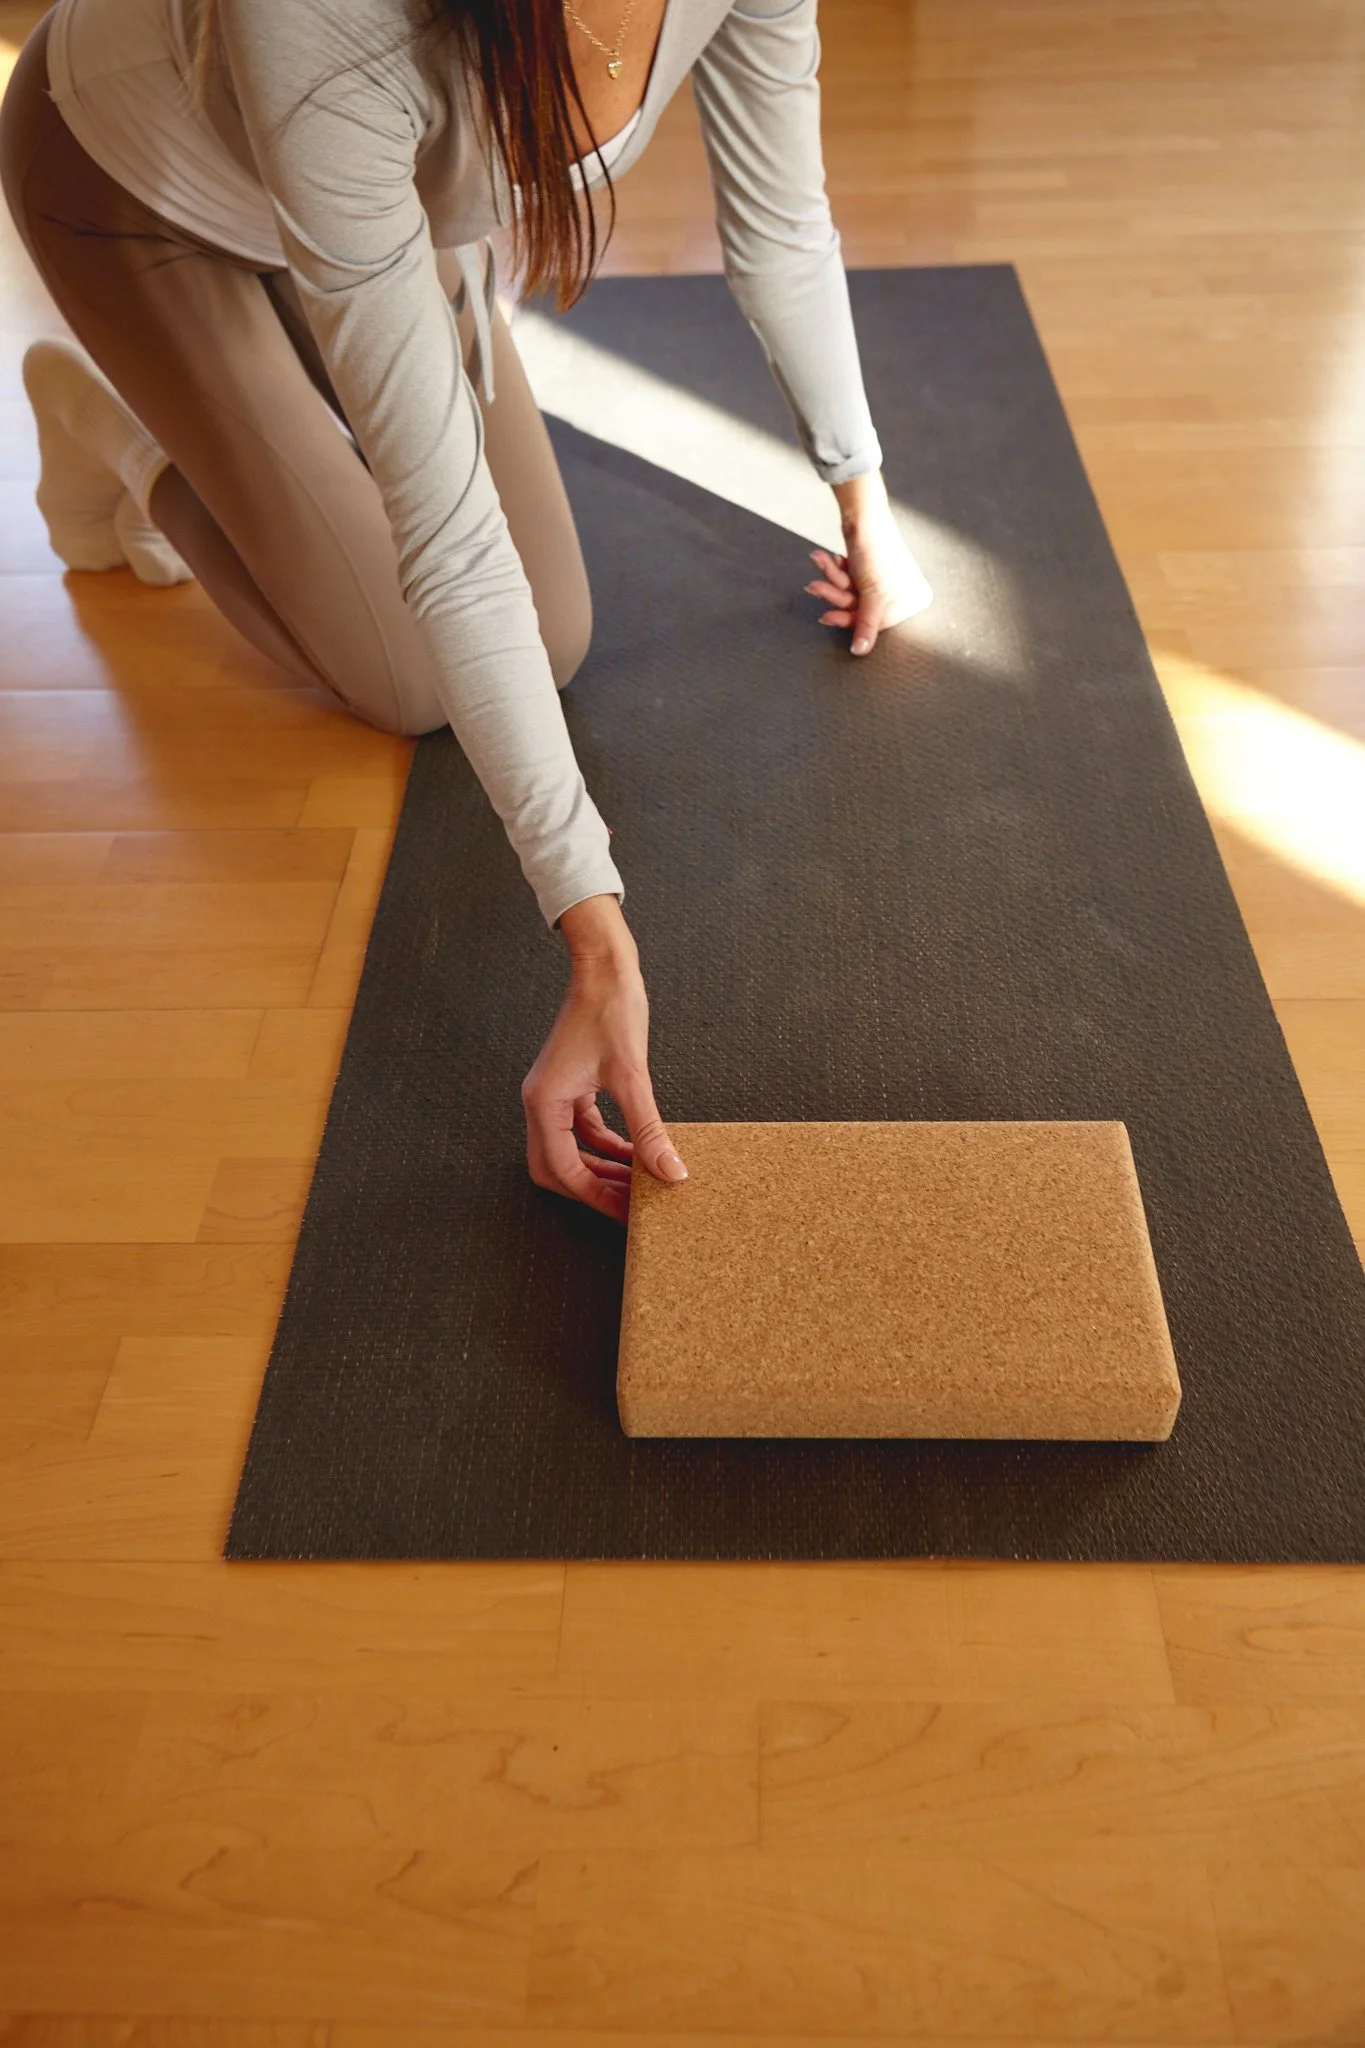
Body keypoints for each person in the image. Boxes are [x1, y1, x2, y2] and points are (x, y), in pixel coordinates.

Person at [1, 0, 931, 1226]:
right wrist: (597, 940)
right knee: (405, 672)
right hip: (145, 189)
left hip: (374, 190)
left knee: (547, 636)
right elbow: (447, 539)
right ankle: (110, 428)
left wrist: (862, 493)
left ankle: (242, 414)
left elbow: (783, 224)